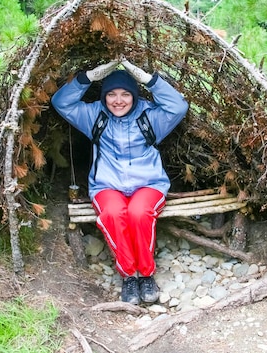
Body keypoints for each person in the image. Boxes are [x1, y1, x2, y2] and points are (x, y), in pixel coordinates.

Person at [51, 57, 189, 304]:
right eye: (111, 94)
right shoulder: (95, 115)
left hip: (149, 183)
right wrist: (88, 77)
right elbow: (61, 102)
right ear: (103, 97)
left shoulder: (150, 116)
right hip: (107, 185)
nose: (118, 100)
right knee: (113, 214)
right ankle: (129, 277)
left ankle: (146, 275)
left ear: (135, 95)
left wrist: (148, 80)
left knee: (138, 213)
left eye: (125, 94)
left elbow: (178, 107)